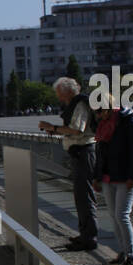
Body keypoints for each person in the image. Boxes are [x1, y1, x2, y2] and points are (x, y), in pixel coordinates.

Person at [39, 77, 99, 251]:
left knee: (84, 196)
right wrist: (55, 130)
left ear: (68, 92)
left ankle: (89, 237)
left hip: (84, 152)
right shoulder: (75, 104)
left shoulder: (79, 105)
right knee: (80, 196)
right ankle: (85, 234)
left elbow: (77, 130)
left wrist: (53, 128)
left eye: (60, 94)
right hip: (80, 152)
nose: (59, 98)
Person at [94, 101, 133, 265]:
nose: (98, 116)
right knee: (114, 216)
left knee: (122, 216)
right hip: (109, 177)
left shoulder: (129, 121)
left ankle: (130, 256)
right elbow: (101, 154)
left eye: (99, 111)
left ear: (108, 108)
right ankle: (122, 252)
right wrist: (97, 177)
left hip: (126, 178)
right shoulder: (103, 125)